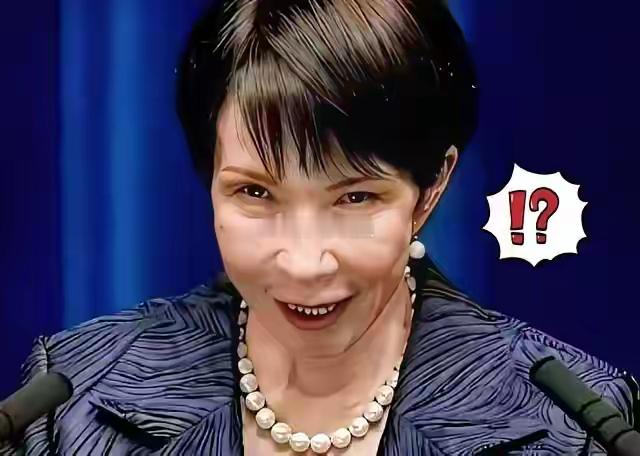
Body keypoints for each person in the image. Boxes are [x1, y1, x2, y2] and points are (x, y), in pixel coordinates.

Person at [1, 0, 638, 454]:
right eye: (255, 193)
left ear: (430, 190)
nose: (305, 263)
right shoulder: (71, 398)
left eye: (355, 198)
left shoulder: (579, 423)